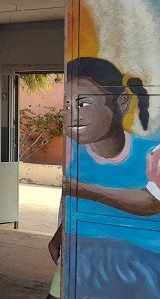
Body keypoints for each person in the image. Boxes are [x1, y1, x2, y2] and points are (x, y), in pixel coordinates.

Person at [51, 57, 160, 298]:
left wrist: (81, 189)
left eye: (83, 104)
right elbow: (70, 200)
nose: (72, 115)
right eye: (67, 105)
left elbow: (151, 201)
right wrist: (61, 233)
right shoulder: (73, 153)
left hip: (142, 265)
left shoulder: (151, 153)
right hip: (81, 255)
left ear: (121, 102)